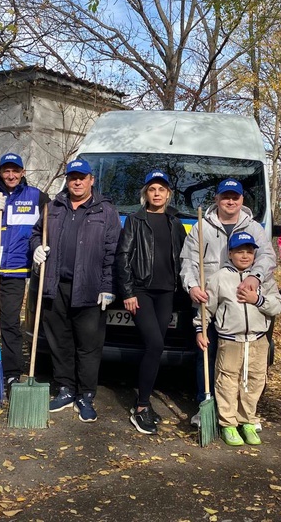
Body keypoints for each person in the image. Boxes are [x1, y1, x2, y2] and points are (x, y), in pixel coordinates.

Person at [179, 178, 276, 427]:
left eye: (235, 196)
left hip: (243, 307)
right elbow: (188, 261)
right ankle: (206, 406)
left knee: (243, 364)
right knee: (207, 355)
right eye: (225, 197)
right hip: (210, 302)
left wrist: (255, 276)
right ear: (217, 199)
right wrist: (192, 286)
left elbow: (267, 257)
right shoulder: (203, 227)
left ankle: (241, 412)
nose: (230, 201)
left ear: (242, 200)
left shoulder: (253, 228)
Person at [31, 158, 121, 422]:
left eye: (82, 177)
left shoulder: (106, 211)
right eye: (73, 177)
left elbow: (112, 252)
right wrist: (36, 246)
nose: (77, 182)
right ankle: (66, 388)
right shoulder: (52, 207)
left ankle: (86, 395)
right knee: (60, 341)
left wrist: (108, 287)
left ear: (92, 180)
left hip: (90, 288)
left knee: (89, 346)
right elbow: (37, 233)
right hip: (55, 285)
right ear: (67, 180)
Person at [115, 170, 187, 434]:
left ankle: (143, 401)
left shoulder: (175, 223)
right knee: (155, 343)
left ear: (168, 194)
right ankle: (142, 407)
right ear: (145, 193)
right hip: (141, 291)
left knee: (155, 348)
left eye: (161, 189)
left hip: (166, 292)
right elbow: (122, 257)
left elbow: (185, 257)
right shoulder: (135, 220)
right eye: (152, 189)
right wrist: (128, 292)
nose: (157, 194)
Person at [0, 153, 48, 395]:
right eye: (7, 171)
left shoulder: (37, 197)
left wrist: (42, 247)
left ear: (23, 172)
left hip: (14, 270)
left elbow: (49, 226)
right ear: (0, 172)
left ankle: (13, 372)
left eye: (16, 171)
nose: (11, 175)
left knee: (10, 322)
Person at [196, 231, 281, 446]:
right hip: (230, 339)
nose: (245, 256)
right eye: (240, 251)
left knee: (254, 381)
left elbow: (277, 306)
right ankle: (228, 423)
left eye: (249, 252)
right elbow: (207, 309)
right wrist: (201, 329)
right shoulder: (219, 278)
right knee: (227, 380)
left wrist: (257, 299)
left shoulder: (265, 279)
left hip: (257, 339)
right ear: (231, 253)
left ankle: (248, 421)